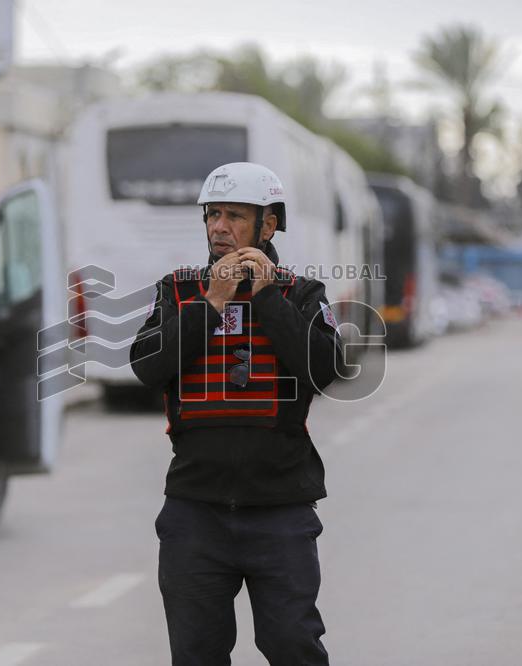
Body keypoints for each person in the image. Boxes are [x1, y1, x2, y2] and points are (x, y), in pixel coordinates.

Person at [130, 162, 347, 665]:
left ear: (267, 226)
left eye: (234, 216)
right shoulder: (178, 291)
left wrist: (267, 298)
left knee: (293, 645)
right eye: (212, 215)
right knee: (197, 653)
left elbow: (324, 369)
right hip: (194, 512)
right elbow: (147, 366)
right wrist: (211, 303)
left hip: (281, 511)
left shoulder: (302, 294)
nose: (219, 228)